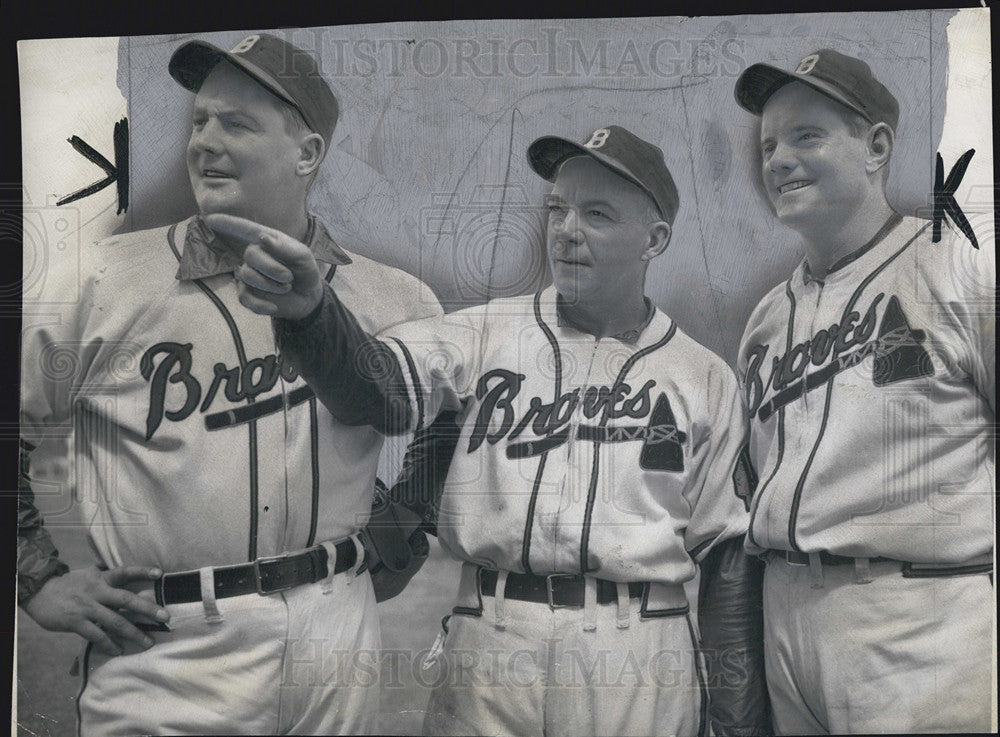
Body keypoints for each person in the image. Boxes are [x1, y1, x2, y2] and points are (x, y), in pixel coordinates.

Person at [218, 124, 771, 737]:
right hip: (491, 632)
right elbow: (375, 393)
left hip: (640, 648)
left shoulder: (704, 377)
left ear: (654, 238)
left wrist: (738, 721)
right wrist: (313, 314)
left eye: (598, 214)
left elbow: (727, 562)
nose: (566, 230)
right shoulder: (484, 333)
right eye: (557, 208)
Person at [18, 33, 441, 735]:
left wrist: (409, 520)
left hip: (337, 629)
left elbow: (455, 415)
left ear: (307, 154)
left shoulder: (396, 297)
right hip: (168, 641)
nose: (205, 142)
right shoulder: (100, 281)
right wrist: (36, 577)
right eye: (199, 121)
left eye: (236, 124)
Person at [733, 49, 995, 733]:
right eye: (768, 145)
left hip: (920, 616)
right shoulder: (764, 322)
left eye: (806, 136)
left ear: (876, 145)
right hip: (784, 618)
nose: (778, 160)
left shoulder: (957, 268)